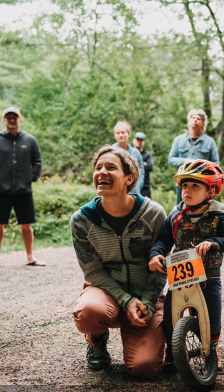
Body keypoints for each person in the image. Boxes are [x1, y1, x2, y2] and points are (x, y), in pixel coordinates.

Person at [70, 145, 167, 377]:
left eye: (110, 167)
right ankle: (97, 339)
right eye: (98, 167)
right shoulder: (82, 220)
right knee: (89, 312)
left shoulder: (154, 213)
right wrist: (125, 300)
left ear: (129, 178)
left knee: (145, 369)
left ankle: (141, 328)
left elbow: (161, 265)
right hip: (107, 294)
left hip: (145, 296)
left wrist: (148, 304)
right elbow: (92, 271)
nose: (101, 172)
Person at [148, 159, 224, 370]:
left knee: (211, 314)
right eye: (185, 185)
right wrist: (155, 254)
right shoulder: (175, 215)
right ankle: (172, 349)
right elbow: (164, 240)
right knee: (170, 311)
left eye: (195, 185)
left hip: (209, 275)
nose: (187, 190)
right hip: (181, 274)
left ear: (210, 191)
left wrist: (213, 242)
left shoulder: (218, 214)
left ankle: (210, 350)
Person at [0, 107, 44, 266]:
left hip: (23, 190)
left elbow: (37, 161)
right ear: (4, 119)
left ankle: (30, 257)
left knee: (26, 225)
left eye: (14, 117)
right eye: (8, 118)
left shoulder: (30, 140)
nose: (12, 120)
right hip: (1, 191)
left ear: (20, 119)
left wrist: (31, 177)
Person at [168, 109, 219, 204]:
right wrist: (185, 161)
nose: (195, 120)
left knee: (202, 208)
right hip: (183, 182)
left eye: (198, 118)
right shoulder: (178, 140)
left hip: (202, 183)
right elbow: (171, 159)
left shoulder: (210, 141)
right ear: (189, 121)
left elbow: (216, 163)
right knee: (181, 207)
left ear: (203, 123)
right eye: (193, 117)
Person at [112, 122, 145, 195]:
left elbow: (141, 171)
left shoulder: (136, 152)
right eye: (118, 133)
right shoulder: (111, 151)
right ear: (115, 136)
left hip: (133, 191)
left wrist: (138, 186)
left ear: (128, 134)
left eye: (123, 132)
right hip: (115, 190)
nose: (120, 135)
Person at [133, 132, 154, 199]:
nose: (139, 142)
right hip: (132, 186)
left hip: (145, 186)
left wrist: (136, 165)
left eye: (141, 140)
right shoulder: (130, 152)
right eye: (138, 140)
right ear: (134, 140)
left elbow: (150, 167)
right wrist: (143, 164)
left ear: (143, 142)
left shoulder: (147, 155)